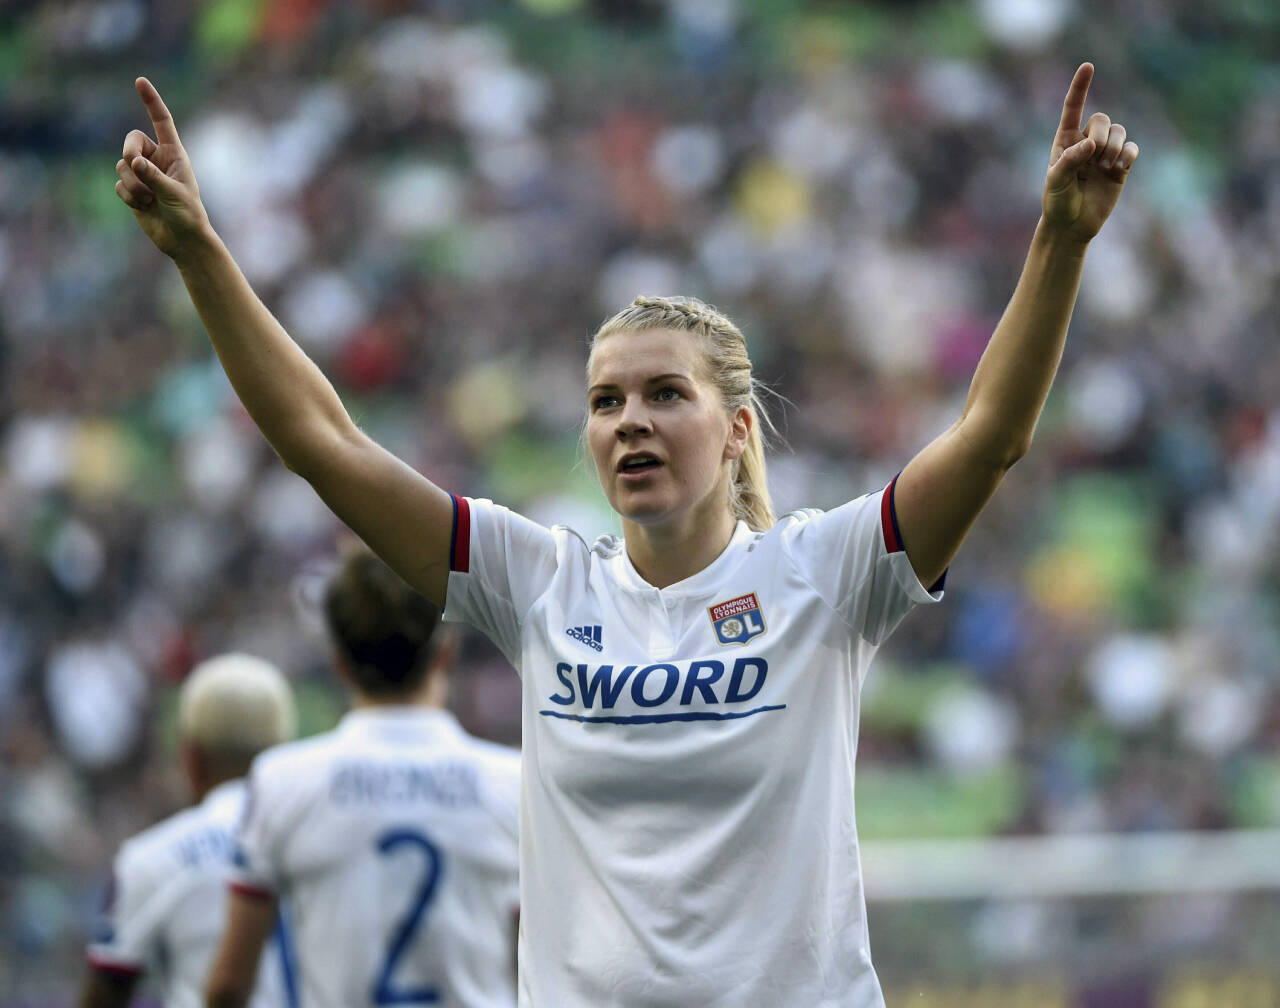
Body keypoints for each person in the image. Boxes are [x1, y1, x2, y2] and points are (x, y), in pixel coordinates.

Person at [117, 62, 1138, 1006]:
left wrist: (1059, 239)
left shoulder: (825, 573)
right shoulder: (536, 583)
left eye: (662, 394)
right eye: (605, 401)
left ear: (735, 428)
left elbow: (990, 437)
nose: (629, 421)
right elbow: (321, 445)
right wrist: (199, 251)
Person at [204, 547, 521, 1008]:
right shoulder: (513, 784)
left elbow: (230, 987)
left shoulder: (281, 782)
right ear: (445, 652)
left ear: (340, 664)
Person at [80, 654, 297, 1008]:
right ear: (284, 751)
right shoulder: (323, 838)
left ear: (191, 758)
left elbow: (103, 997)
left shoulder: (150, 858)